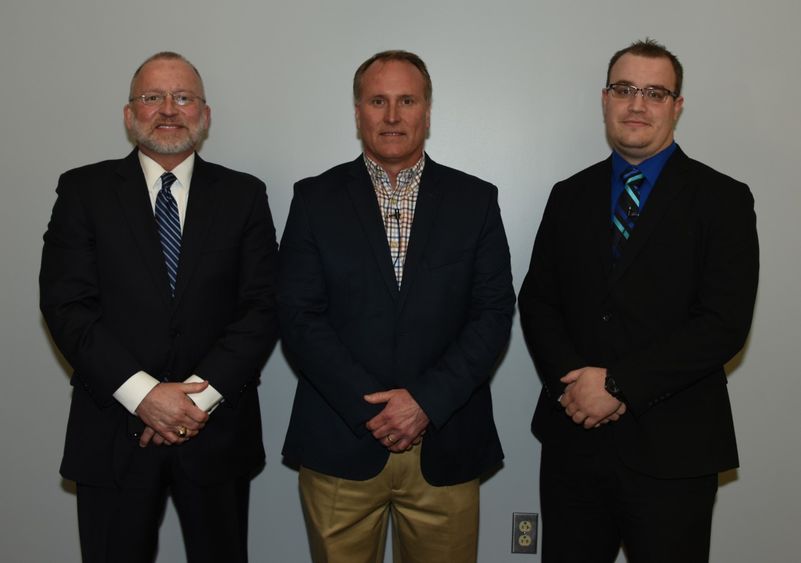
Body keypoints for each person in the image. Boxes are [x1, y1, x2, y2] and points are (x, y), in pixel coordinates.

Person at [518, 39, 759, 563]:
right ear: (604, 99)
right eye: (624, 89)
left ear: (677, 105)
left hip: (674, 450)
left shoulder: (724, 199)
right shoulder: (569, 195)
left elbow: (722, 323)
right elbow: (537, 300)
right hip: (573, 444)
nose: (637, 104)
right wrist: (576, 386)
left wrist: (618, 386)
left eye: (655, 92)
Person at [39, 51, 278, 563]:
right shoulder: (83, 191)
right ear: (130, 116)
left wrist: (195, 403)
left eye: (183, 97)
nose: (168, 109)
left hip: (216, 436)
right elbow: (67, 306)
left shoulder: (244, 196)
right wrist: (144, 395)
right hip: (112, 434)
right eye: (152, 97)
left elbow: (261, 308)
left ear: (205, 116)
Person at [278, 50, 515, 562]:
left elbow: (492, 315)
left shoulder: (475, 201)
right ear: (358, 112)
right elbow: (299, 316)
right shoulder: (313, 200)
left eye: (406, 100)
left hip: (446, 444)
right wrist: (375, 408)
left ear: (427, 112)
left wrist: (425, 401)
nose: (391, 116)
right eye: (377, 101)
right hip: (341, 442)